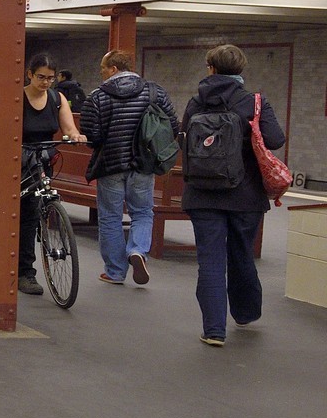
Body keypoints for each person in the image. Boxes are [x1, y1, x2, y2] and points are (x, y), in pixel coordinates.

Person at [179, 44, 286, 347]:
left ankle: (214, 330)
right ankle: (245, 312)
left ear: (210, 68)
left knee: (210, 261)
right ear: (240, 70)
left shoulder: (196, 102)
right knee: (241, 254)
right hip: (245, 195)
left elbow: (183, 139)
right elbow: (276, 139)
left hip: (202, 194)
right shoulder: (255, 102)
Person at [79, 49, 176, 286]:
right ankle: (137, 251)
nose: (101, 74)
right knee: (142, 212)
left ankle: (114, 272)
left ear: (113, 69)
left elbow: (91, 134)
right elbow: (171, 123)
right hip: (144, 164)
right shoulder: (154, 91)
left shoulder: (97, 96)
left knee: (110, 217)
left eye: (103, 69)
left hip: (110, 165)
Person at [18, 53, 85, 296]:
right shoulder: (18, 97)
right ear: (29, 74)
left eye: (50, 78)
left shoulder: (57, 99)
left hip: (41, 160)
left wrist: (75, 136)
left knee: (31, 214)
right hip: (15, 159)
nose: (46, 82)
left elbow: (69, 128)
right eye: (40, 77)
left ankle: (25, 272)